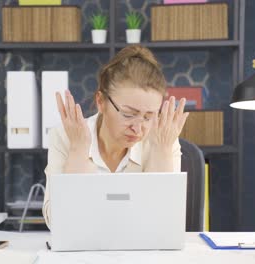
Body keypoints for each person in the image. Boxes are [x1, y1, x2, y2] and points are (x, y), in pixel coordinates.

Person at [42, 45, 189, 228]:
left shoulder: (163, 139)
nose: (138, 128)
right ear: (101, 102)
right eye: (128, 114)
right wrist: (78, 150)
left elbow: (164, 222)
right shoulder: (66, 135)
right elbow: (58, 223)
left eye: (148, 116)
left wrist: (162, 151)